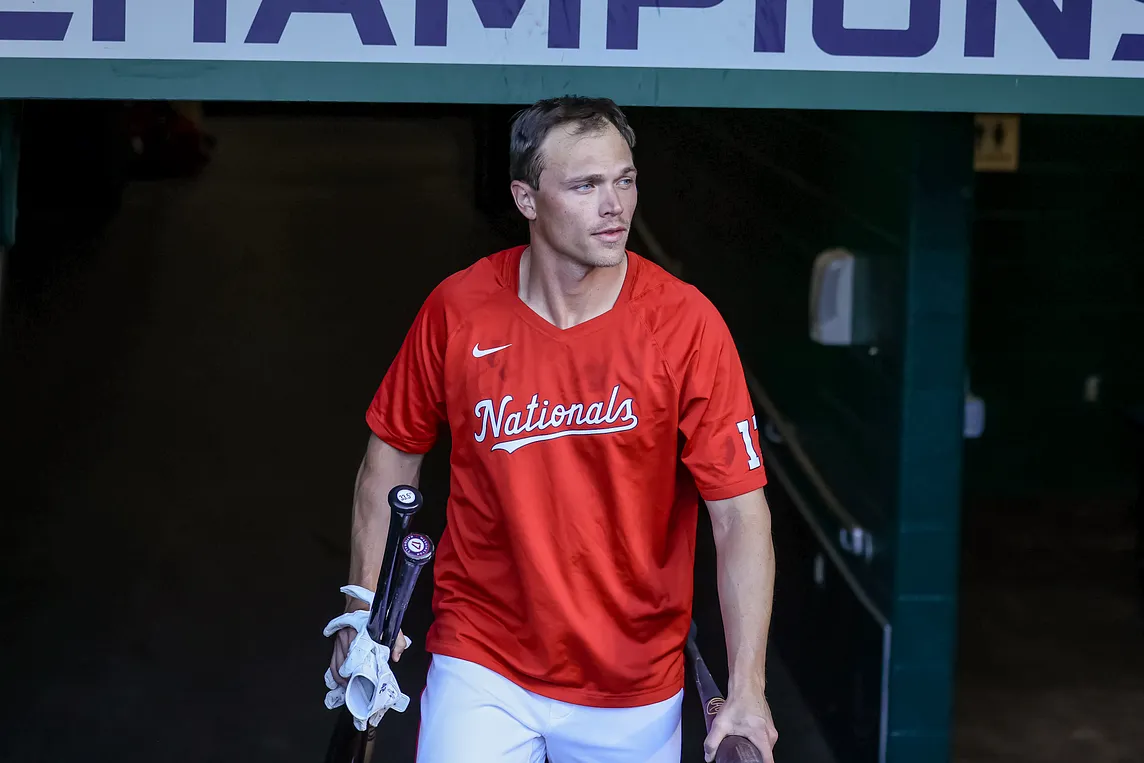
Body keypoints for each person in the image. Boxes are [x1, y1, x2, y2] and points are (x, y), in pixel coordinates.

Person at [328, 95, 779, 763]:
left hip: (632, 679)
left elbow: (739, 514)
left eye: (625, 179)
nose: (615, 205)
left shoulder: (686, 326)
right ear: (527, 198)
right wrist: (364, 602)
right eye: (586, 184)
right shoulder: (460, 310)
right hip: (483, 655)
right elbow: (391, 454)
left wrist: (748, 687)